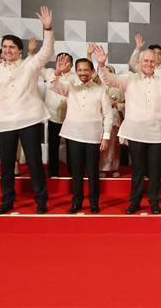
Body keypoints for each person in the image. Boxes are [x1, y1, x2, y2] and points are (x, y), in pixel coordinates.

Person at [0, 6, 54, 215]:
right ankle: (7, 201)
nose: (8, 50)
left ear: (19, 50)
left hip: (29, 120)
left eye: (12, 47)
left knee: (34, 164)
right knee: (7, 166)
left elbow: (47, 51)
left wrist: (48, 28)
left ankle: (41, 201)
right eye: (4, 47)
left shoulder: (30, 65)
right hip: (6, 123)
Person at [96, 45, 161, 214]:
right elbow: (108, 80)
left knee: (155, 171)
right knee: (137, 170)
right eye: (145, 60)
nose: (148, 63)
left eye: (152, 61)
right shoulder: (129, 79)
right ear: (139, 62)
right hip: (135, 132)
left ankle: (154, 202)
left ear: (156, 63)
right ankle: (135, 202)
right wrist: (102, 65)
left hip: (156, 133)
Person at [49, 55, 113, 214]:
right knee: (76, 172)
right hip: (74, 135)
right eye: (79, 70)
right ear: (76, 71)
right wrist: (57, 72)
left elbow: (108, 115)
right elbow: (54, 86)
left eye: (86, 70)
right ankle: (76, 202)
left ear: (92, 71)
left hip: (93, 137)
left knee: (92, 172)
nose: (83, 72)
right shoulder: (70, 86)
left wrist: (105, 136)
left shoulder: (100, 90)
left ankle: (93, 203)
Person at [41, 52, 73, 177]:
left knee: (72, 147)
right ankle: (53, 170)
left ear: (71, 64)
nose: (62, 63)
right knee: (53, 145)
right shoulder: (50, 73)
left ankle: (73, 170)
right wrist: (32, 53)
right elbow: (36, 67)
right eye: (59, 60)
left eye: (65, 61)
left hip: (70, 117)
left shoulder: (75, 77)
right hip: (53, 116)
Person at [99, 64, 125, 177]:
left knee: (114, 145)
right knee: (103, 145)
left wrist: (116, 104)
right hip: (100, 119)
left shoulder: (119, 87)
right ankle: (102, 168)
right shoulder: (98, 86)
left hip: (115, 118)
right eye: (106, 72)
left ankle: (114, 168)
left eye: (110, 72)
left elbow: (126, 104)